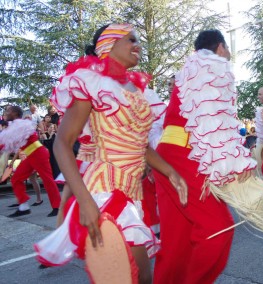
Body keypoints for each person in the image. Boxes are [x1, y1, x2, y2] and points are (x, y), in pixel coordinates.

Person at [34, 23, 187, 284]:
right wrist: (85, 202)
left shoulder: (135, 90)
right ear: (108, 45)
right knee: (133, 277)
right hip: (104, 189)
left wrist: (170, 171)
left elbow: (141, 145)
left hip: (131, 192)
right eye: (130, 39)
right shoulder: (92, 82)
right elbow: (62, 142)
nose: (137, 45)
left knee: (138, 277)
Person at [152, 29, 256, 284]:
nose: (229, 55)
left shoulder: (188, 68)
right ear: (220, 47)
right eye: (228, 50)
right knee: (218, 227)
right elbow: (217, 120)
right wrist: (236, 161)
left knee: (176, 243)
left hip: (167, 154)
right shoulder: (214, 63)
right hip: (187, 155)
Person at [0, 105, 60, 217]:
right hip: (31, 155)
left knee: (47, 180)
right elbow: (9, 142)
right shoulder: (14, 125)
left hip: (38, 153)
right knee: (16, 179)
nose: (6, 113)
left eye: (8, 111)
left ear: (14, 113)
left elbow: (8, 140)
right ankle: (23, 207)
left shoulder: (20, 124)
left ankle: (57, 206)